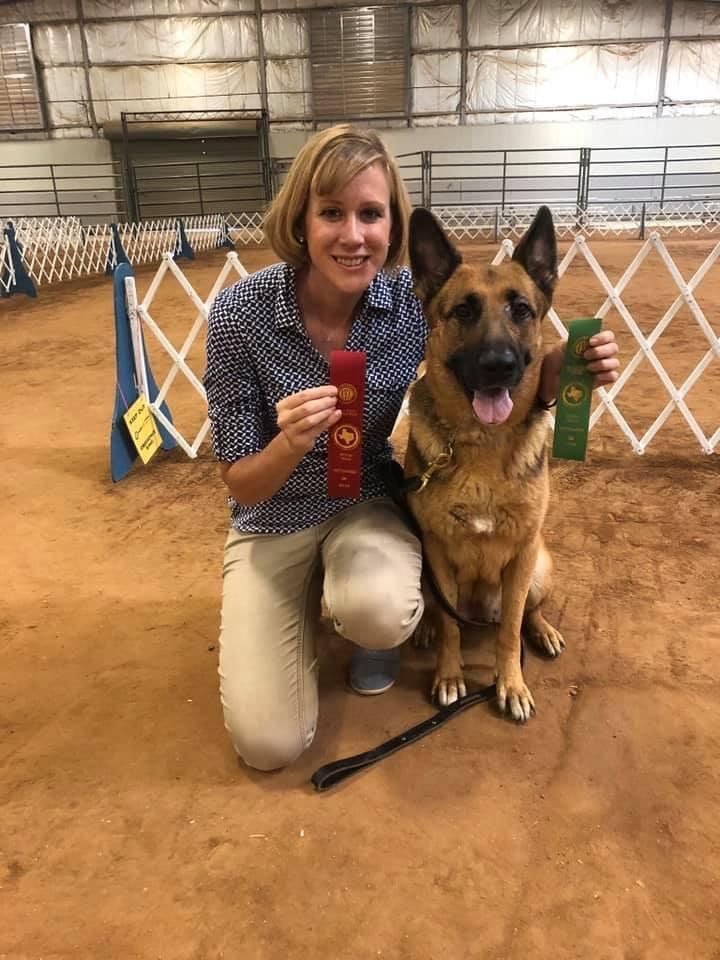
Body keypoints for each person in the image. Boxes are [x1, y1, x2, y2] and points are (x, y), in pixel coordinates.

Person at [203, 124, 620, 772]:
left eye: (371, 214)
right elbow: (241, 482)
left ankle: (370, 628)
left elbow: (509, 357)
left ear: (392, 226)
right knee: (268, 746)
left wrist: (570, 364)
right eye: (331, 212)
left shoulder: (410, 301)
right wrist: (288, 443)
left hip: (363, 503)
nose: (353, 234)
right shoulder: (238, 315)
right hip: (273, 517)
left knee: (382, 605)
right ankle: (295, 607)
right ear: (301, 220)